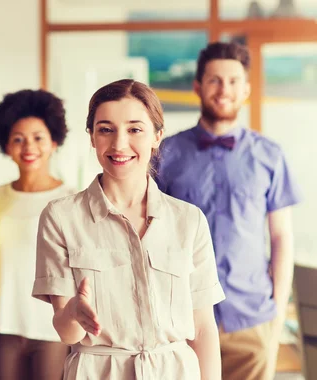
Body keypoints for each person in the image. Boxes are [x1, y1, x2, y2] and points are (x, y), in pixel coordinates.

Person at [32, 79, 225, 379]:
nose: (119, 144)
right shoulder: (61, 217)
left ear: (157, 136)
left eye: (135, 129)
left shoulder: (189, 220)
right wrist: (73, 312)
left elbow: (202, 327)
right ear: (92, 137)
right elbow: (66, 331)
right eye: (105, 129)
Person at [157, 42, 301, 380]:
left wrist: (277, 315)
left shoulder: (270, 156)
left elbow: (281, 237)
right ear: (197, 86)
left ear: (246, 89)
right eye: (215, 80)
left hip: (251, 320)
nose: (224, 90)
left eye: (234, 81)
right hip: (182, 318)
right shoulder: (165, 154)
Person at [0, 89, 74, 380]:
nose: (29, 147)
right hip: (3, 326)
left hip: (52, 329)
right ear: (6, 145)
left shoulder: (72, 199)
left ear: (53, 141)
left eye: (38, 137)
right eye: (18, 138)